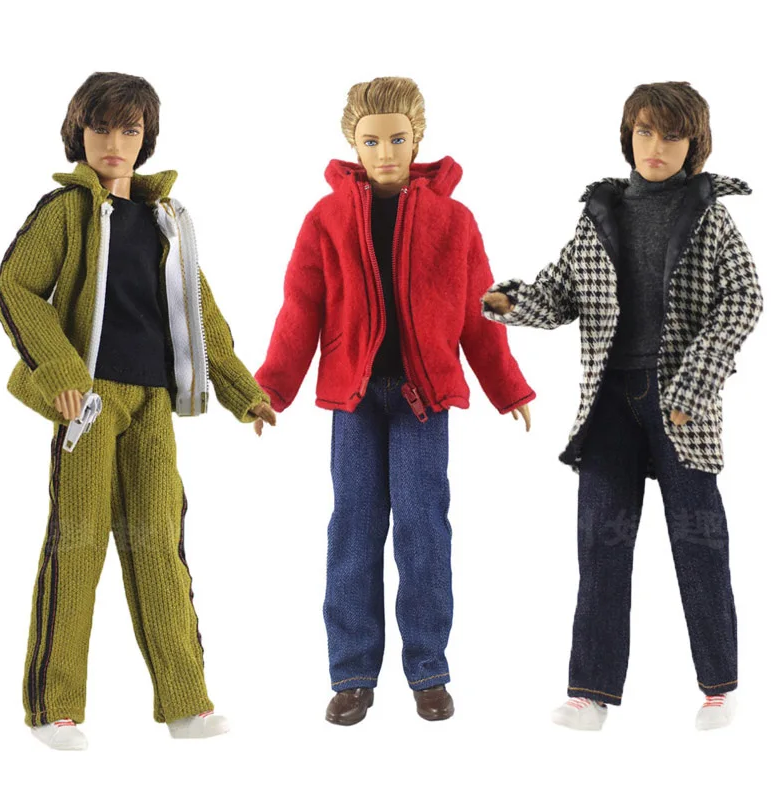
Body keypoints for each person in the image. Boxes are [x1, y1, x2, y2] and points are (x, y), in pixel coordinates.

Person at [0, 71, 275, 749]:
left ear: (146, 139)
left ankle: (186, 702)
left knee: (159, 547)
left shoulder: (167, 221)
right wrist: (61, 373)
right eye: (100, 128)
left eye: (130, 129)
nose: (114, 142)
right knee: (78, 544)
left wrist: (244, 393)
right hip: (89, 403)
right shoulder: (66, 212)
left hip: (151, 404)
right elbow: (13, 288)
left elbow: (204, 321)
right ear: (79, 133)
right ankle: (54, 706)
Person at [483, 81, 763, 731]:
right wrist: (505, 302)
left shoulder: (710, 217)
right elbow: (559, 292)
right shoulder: (600, 214)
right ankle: (590, 692)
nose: (655, 146)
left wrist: (694, 384)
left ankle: (720, 686)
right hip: (609, 403)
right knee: (601, 545)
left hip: (680, 403)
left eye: (672, 135)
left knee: (699, 541)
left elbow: (744, 299)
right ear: (627, 136)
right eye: (644, 132)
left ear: (695, 145)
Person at [254, 76, 534, 725]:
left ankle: (428, 670)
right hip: (353, 398)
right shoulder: (325, 219)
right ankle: (352, 674)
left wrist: (507, 388)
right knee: (353, 527)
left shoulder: (454, 221)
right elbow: (300, 309)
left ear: (418, 140)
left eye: (398, 139)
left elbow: (479, 311)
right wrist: (270, 389)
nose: (386, 152)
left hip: (422, 398)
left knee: (422, 527)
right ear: (353, 143)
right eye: (372, 140)